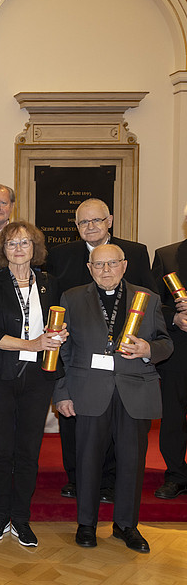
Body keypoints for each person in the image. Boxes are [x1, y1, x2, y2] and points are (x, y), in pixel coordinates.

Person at [55, 243, 172, 553]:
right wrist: (63, 392)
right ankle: (86, 524)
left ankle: (126, 525)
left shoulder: (148, 299)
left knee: (132, 463)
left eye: (112, 264)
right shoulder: (72, 298)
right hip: (89, 390)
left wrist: (149, 350)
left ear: (124, 266)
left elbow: (165, 343)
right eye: (98, 265)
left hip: (135, 391)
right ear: (90, 268)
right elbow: (63, 350)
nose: (105, 270)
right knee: (88, 460)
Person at [46, 198, 155, 500]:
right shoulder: (61, 255)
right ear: (77, 226)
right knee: (74, 423)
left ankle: (108, 481)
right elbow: (54, 302)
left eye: (96, 220)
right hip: (79, 356)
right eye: (83, 222)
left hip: (122, 360)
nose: (90, 227)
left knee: (115, 426)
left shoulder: (133, 252)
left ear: (109, 221)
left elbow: (151, 298)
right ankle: (76, 478)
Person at [0, 221, 67, 546]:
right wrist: (30, 344)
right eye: (12, 243)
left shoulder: (50, 284)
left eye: (25, 243)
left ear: (35, 248)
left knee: (29, 450)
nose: (18, 249)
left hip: (38, 378)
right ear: (3, 250)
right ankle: (0, 515)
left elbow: (59, 326)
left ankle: (22, 518)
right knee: (1, 449)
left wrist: (60, 336)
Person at [151, 204, 187, 500]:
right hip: (177, 352)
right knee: (173, 418)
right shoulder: (167, 255)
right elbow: (153, 304)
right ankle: (175, 475)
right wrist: (174, 318)